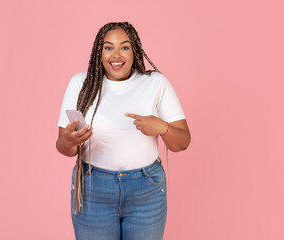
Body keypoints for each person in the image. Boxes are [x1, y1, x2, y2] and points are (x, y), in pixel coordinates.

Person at [56, 21, 191, 240]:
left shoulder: (156, 83)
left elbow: (182, 143)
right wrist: (71, 141)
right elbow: (63, 146)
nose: (116, 55)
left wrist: (161, 127)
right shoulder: (80, 84)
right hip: (93, 190)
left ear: (134, 50)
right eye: (108, 47)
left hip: (146, 190)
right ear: (99, 53)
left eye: (124, 47)